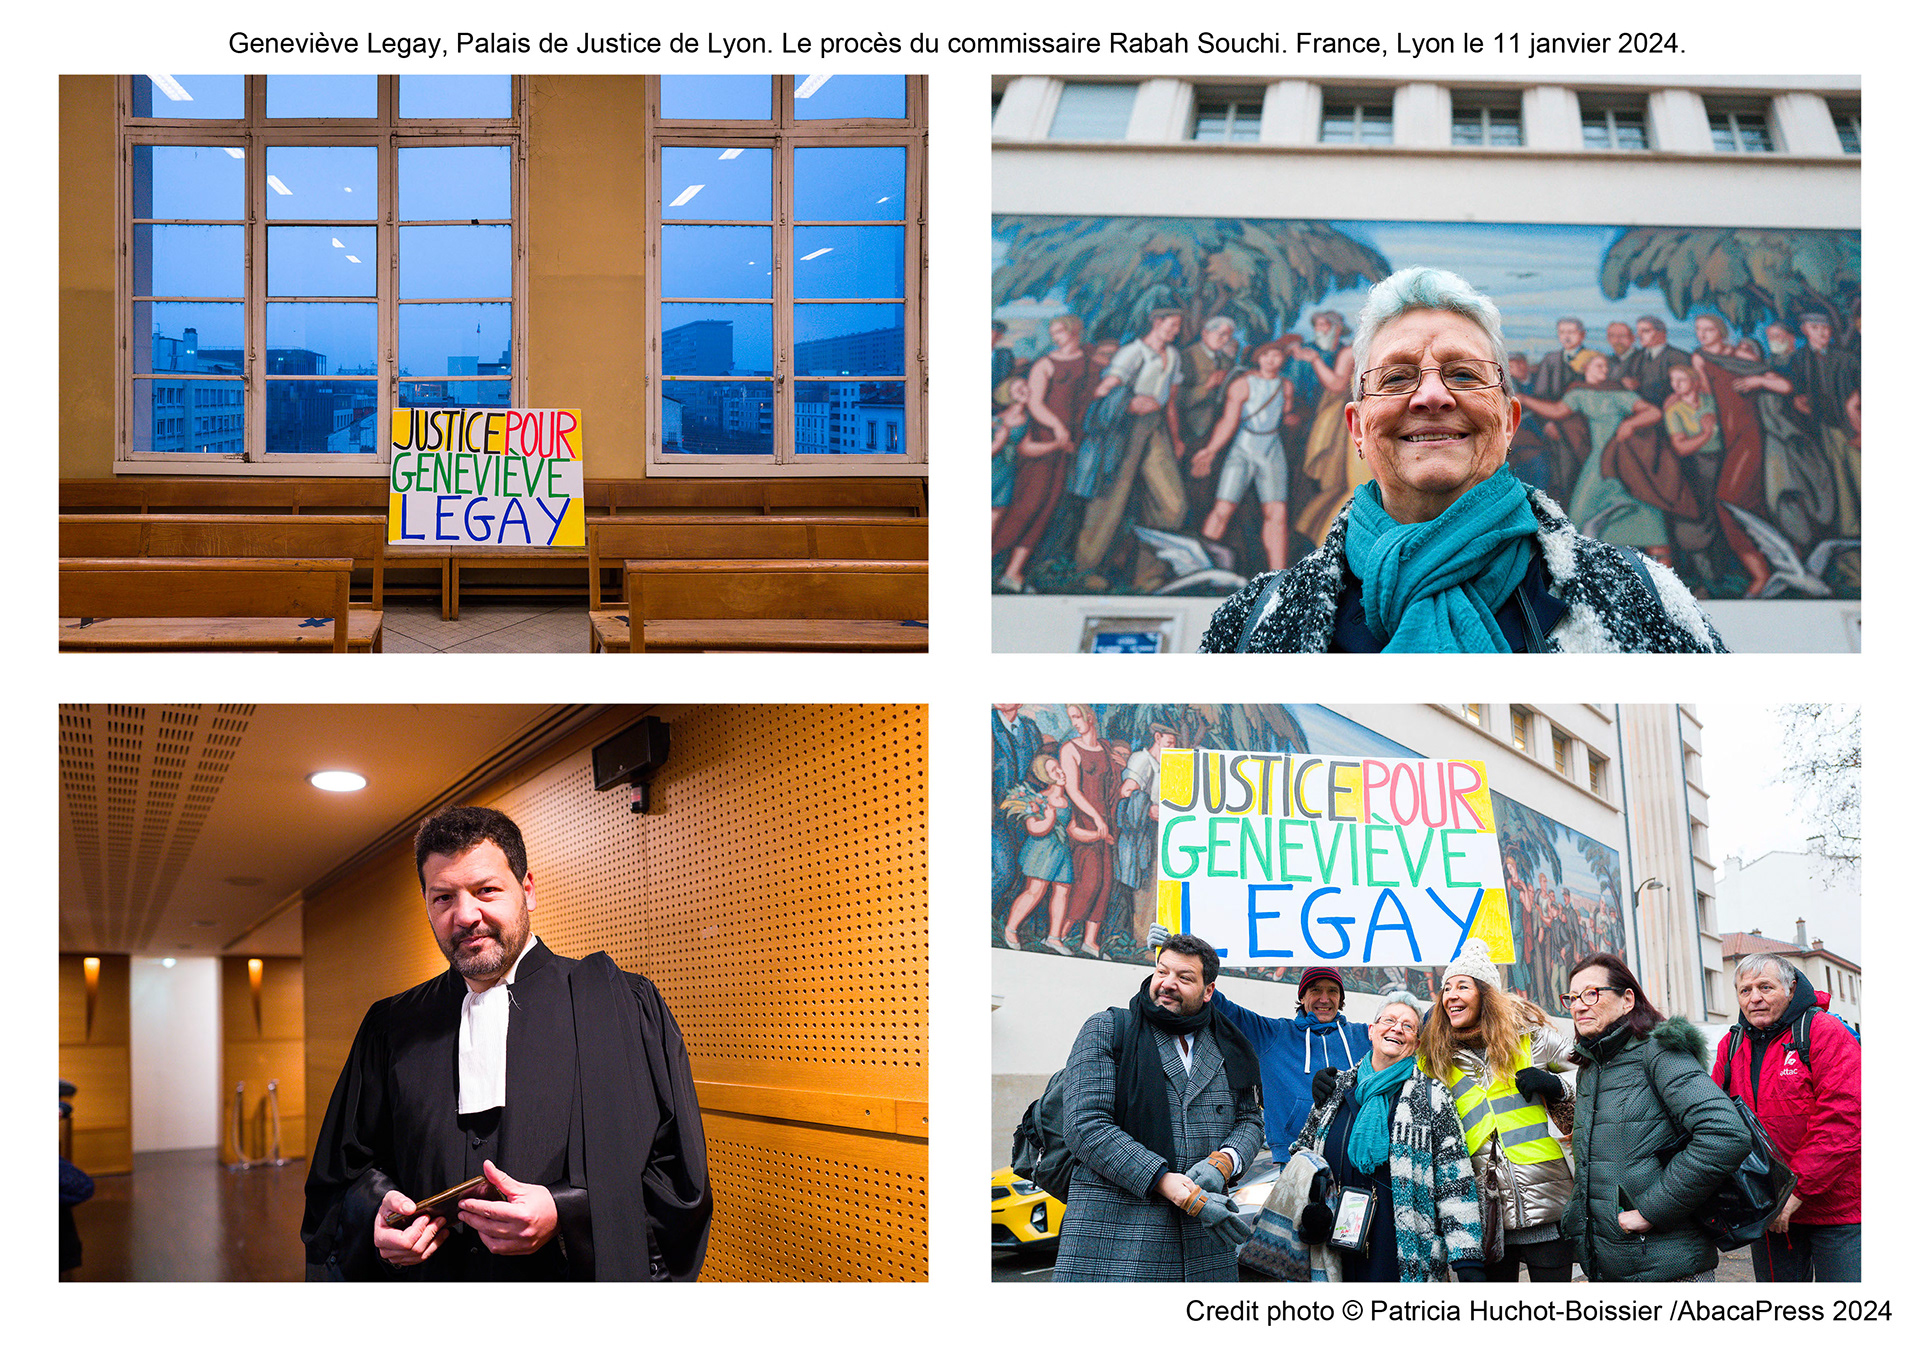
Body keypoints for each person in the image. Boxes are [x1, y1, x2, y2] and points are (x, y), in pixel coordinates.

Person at [1198, 267, 1728, 653]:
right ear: (1357, 428)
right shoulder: (1252, 625)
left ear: (1509, 421)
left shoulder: (1643, 599)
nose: (1432, 396)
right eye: (1397, 377)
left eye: (1464, 374)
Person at [302, 806, 712, 1281]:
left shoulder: (620, 1005)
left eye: (486, 890)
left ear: (528, 890)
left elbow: (676, 1179)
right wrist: (377, 1215)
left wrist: (565, 1214)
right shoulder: (390, 1026)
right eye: (443, 898)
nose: (465, 915)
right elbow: (344, 1175)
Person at [1052, 934, 1266, 1281]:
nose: (1167, 983)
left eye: (1184, 977)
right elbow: (1085, 1125)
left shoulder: (1229, 1042)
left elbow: (1250, 1120)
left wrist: (1224, 1162)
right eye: (1162, 971)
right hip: (1118, 1237)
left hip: (1203, 1244)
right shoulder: (1107, 1028)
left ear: (1208, 991)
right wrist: (1165, 1181)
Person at [1558, 953, 1747, 1282]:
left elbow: (1725, 1134)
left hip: (1669, 1268)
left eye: (1591, 994)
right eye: (1572, 998)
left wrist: (1650, 1210)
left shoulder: (1658, 1051)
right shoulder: (1592, 1067)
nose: (1578, 1006)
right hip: (1614, 1266)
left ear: (1627, 1000)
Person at [1292, 992, 1483, 1282]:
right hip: (1334, 1247)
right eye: (1389, 1020)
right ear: (1372, 1031)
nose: (1397, 1029)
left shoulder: (1432, 1097)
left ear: (1416, 1044)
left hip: (1400, 1253)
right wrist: (1311, 1208)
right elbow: (1302, 1155)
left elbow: (1455, 1181)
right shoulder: (1335, 1089)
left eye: (1408, 1026)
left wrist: (1467, 1261)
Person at [1416, 939, 1577, 1282]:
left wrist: (1558, 1085)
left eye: (1463, 986)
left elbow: (1592, 1071)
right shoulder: (1437, 1059)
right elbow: (1396, 1081)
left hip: (1549, 1203)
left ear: (1486, 994)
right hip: (1484, 1214)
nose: (1451, 996)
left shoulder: (1531, 1037)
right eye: (1447, 988)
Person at [1149, 924, 1371, 1159]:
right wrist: (1174, 962)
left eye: (1332, 991)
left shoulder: (1365, 1035)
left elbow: (1399, 1029)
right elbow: (1219, 1006)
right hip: (1294, 1157)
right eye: (1315, 990)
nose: (1324, 999)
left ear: (1341, 998)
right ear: (1303, 996)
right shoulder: (1273, 1034)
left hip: (1353, 1155)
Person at [1711, 954, 1861, 1281]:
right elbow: (1715, 1119)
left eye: (1765, 987)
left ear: (1791, 989)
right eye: (1745, 990)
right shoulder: (1731, 1045)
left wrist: (1796, 1192)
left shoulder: (1823, 1032)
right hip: (1769, 1209)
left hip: (1837, 1210)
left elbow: (1844, 1118)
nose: (1754, 998)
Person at [1190, 340, 1295, 572]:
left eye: (1276, 355)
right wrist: (1210, 450)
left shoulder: (1286, 385)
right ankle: (1199, 568)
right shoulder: (1242, 384)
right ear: (1258, 357)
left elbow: (1285, 413)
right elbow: (1229, 421)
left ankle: (1278, 574)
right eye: (1266, 354)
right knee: (1223, 509)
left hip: (1271, 450)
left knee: (1277, 514)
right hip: (1243, 449)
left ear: (1282, 358)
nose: (1271, 360)